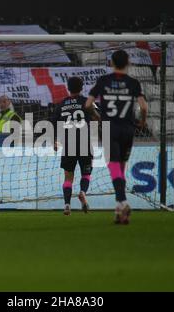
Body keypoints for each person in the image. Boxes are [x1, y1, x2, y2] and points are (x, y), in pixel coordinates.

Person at [85, 50, 148, 224]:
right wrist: (142, 122)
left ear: (111, 63)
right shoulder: (133, 83)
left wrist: (97, 117)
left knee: (113, 168)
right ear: (128, 62)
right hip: (128, 128)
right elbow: (143, 107)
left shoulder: (103, 81)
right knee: (121, 168)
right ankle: (119, 211)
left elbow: (88, 104)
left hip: (109, 128)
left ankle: (123, 201)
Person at [52, 77, 100, 216]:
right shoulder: (87, 102)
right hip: (85, 143)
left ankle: (67, 205)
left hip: (68, 144)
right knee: (86, 173)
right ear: (82, 87)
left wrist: (54, 140)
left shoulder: (61, 105)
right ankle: (82, 193)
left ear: (68, 88)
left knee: (68, 178)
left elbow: (53, 124)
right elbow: (98, 117)